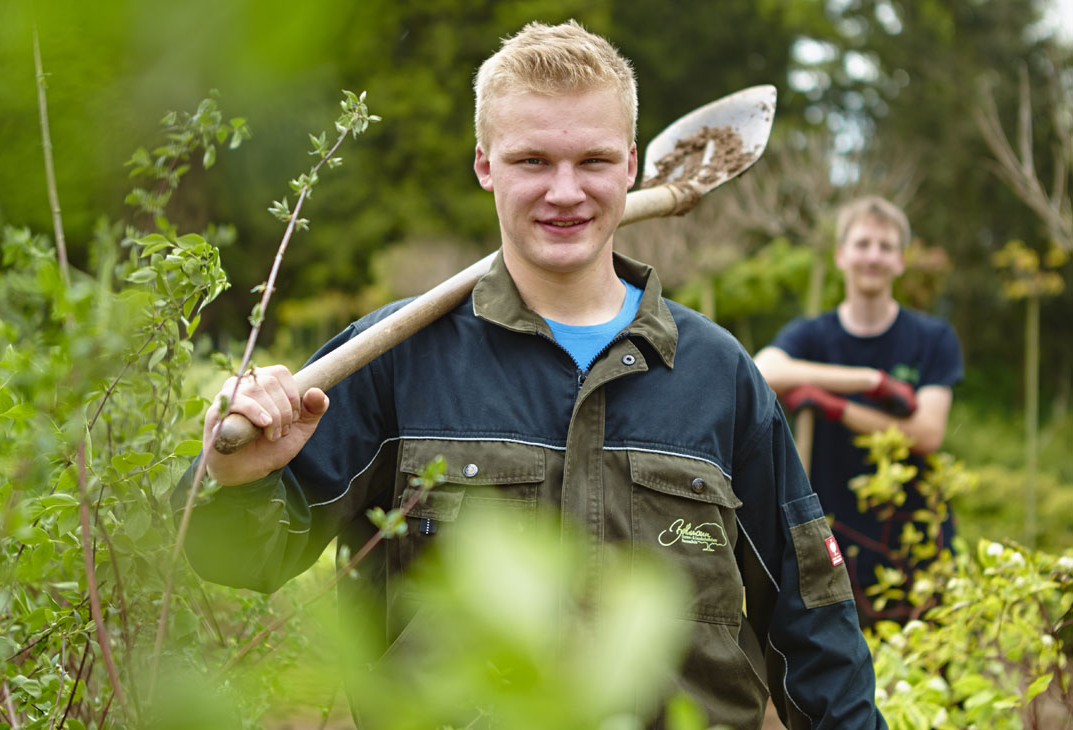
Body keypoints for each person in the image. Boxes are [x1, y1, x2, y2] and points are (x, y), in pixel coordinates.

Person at [174, 21, 886, 729]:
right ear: (485, 165)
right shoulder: (396, 359)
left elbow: (811, 618)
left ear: (631, 165)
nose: (565, 192)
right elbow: (236, 557)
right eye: (532, 161)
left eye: (593, 160)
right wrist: (235, 479)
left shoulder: (717, 374)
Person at [753, 196, 964, 625]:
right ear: (841, 255)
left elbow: (927, 433)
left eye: (885, 247)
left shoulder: (933, 337)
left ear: (900, 261)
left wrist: (836, 407)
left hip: (915, 538)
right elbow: (762, 370)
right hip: (831, 537)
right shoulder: (811, 335)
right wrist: (869, 381)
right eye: (863, 243)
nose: (873, 256)